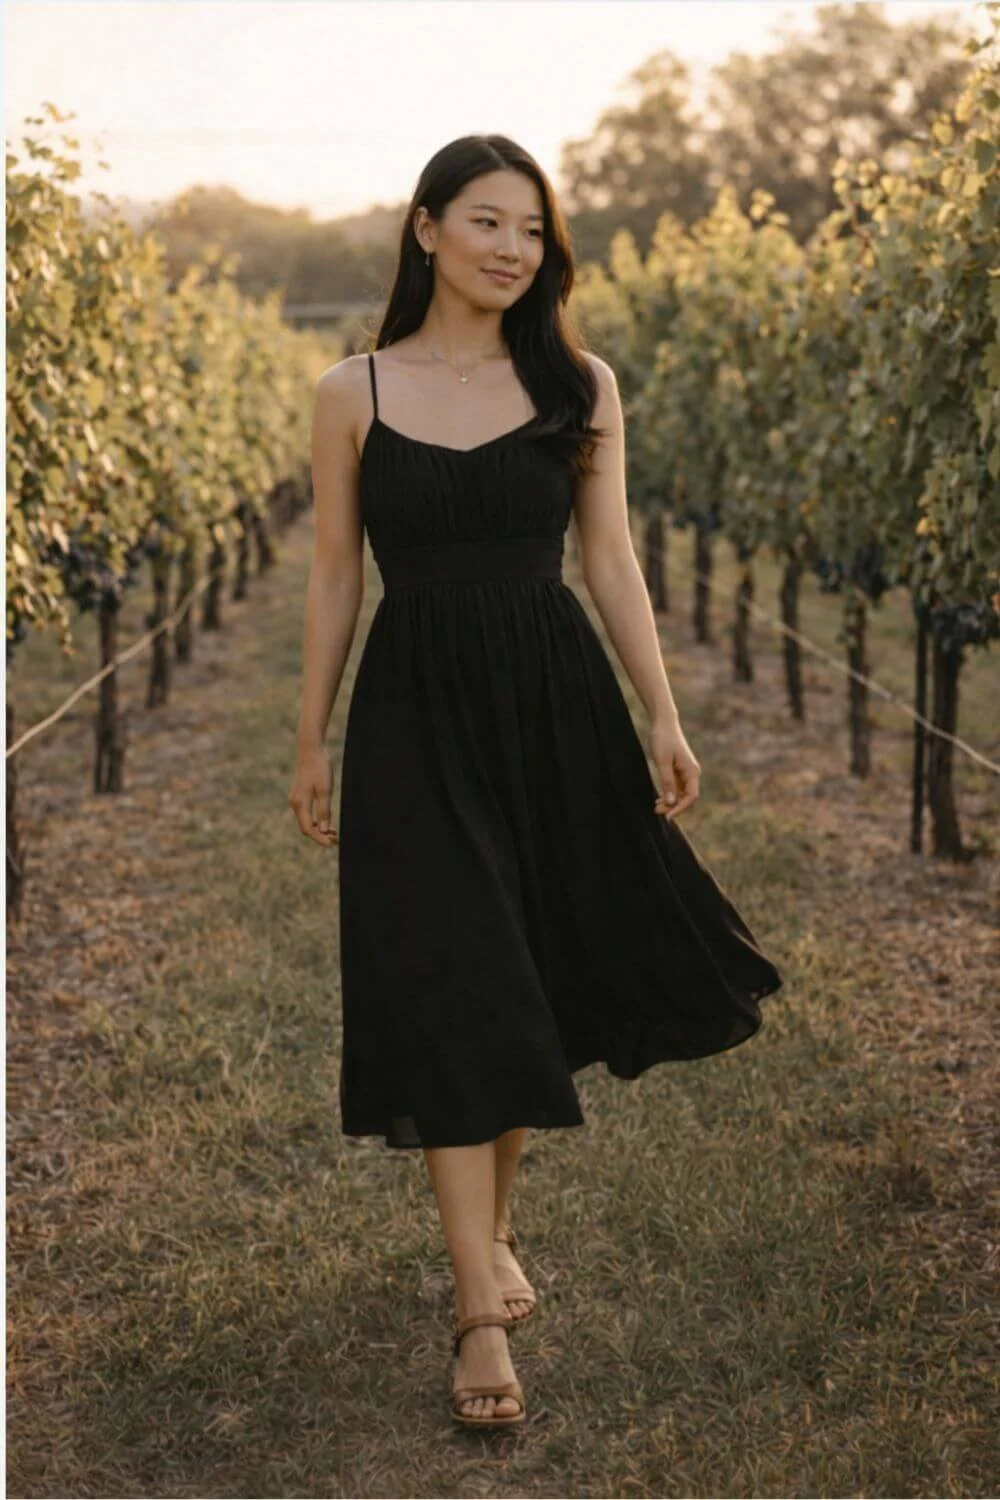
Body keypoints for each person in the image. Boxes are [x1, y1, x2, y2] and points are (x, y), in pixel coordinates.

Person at [288, 134, 783, 1427]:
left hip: (551, 700)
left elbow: (611, 564)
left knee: (520, 970)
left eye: (530, 230)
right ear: (426, 229)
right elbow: (336, 574)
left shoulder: (579, 384)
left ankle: (491, 1230)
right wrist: (309, 740)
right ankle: (472, 1314)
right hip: (415, 708)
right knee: (453, 969)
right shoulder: (354, 390)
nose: (512, 248)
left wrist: (663, 716)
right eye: (487, 223)